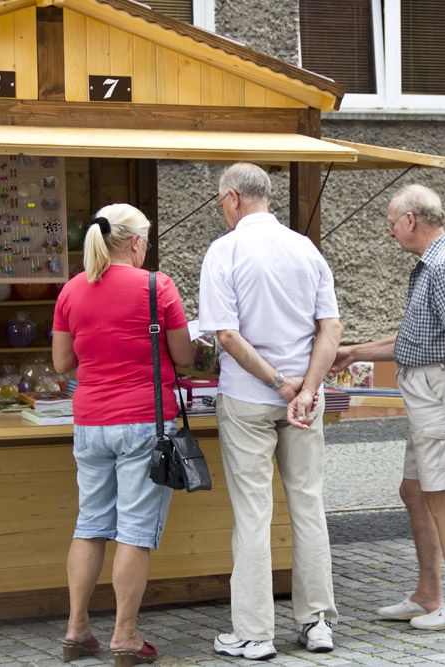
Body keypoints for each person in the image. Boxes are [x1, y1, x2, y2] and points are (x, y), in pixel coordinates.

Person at [198, 162, 341, 661]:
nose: (222, 210)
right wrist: (307, 388)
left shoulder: (225, 251)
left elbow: (226, 335)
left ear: (233, 197)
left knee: (254, 515)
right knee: (308, 505)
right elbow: (331, 328)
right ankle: (317, 620)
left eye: (221, 202)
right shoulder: (305, 249)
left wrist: (278, 383)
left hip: (250, 397)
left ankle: (255, 632)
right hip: (305, 398)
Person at [331, 183, 445, 631]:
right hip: (429, 394)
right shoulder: (432, 264)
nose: (391, 232)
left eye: (392, 223)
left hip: (440, 396)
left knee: (442, 499)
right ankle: (428, 592)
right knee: (415, 491)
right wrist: (354, 351)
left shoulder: (444, 266)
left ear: (411, 220)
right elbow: (415, 340)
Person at [52, 203, 194, 666]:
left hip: (90, 422)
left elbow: (61, 364)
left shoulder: (72, 290)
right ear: (136, 242)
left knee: (90, 524)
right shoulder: (158, 286)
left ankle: (76, 630)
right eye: (146, 241)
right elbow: (184, 356)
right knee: (133, 532)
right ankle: (125, 636)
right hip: (145, 424)